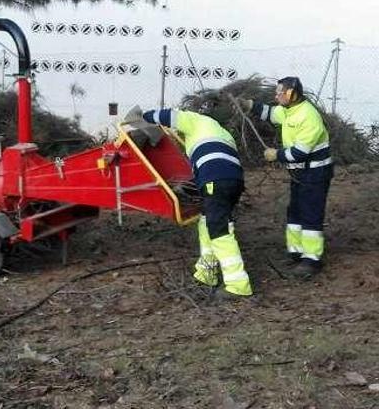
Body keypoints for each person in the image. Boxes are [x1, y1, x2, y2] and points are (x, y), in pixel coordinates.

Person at [134, 105, 253, 300]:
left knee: (219, 230)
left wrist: (144, 116)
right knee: (207, 222)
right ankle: (206, 272)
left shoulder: (198, 121)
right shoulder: (222, 133)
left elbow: (170, 116)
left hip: (215, 179)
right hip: (234, 181)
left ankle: (238, 284)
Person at [238, 77, 333, 279]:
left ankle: (311, 260)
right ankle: (296, 252)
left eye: (280, 93)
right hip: (300, 172)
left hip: (314, 172)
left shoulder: (309, 116)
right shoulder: (289, 111)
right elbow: (271, 114)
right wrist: (249, 106)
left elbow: (300, 153)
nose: (276, 96)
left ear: (292, 94)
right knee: (295, 211)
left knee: (310, 213)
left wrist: (276, 155)